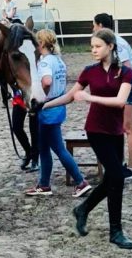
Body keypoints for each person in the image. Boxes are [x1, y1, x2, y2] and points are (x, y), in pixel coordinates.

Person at [42, 28, 132, 249]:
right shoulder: (89, 71)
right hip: (96, 130)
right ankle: (116, 231)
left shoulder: (125, 72)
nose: (93, 50)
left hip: (115, 131)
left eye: (97, 46)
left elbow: (120, 101)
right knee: (117, 177)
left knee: (112, 178)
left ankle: (82, 209)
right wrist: (44, 104)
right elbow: (69, 96)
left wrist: (89, 97)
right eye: (92, 47)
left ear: (110, 47)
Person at [25, 29, 91, 198]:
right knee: (44, 148)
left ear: (40, 43)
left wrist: (39, 92)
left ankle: (80, 181)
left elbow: (47, 81)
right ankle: (44, 184)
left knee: (58, 148)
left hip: (47, 107)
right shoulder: (58, 61)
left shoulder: (45, 62)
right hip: (58, 105)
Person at [93, 13, 132, 180]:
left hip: (131, 85)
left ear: (100, 26)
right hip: (124, 86)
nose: (93, 28)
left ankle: (131, 168)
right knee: (120, 127)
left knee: (129, 128)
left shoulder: (117, 43)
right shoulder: (111, 41)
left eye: (94, 25)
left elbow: (127, 69)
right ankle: (120, 164)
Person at [12, 90, 39, 172]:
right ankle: (28, 152)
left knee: (34, 131)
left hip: (34, 98)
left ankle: (35, 159)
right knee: (16, 127)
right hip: (19, 99)